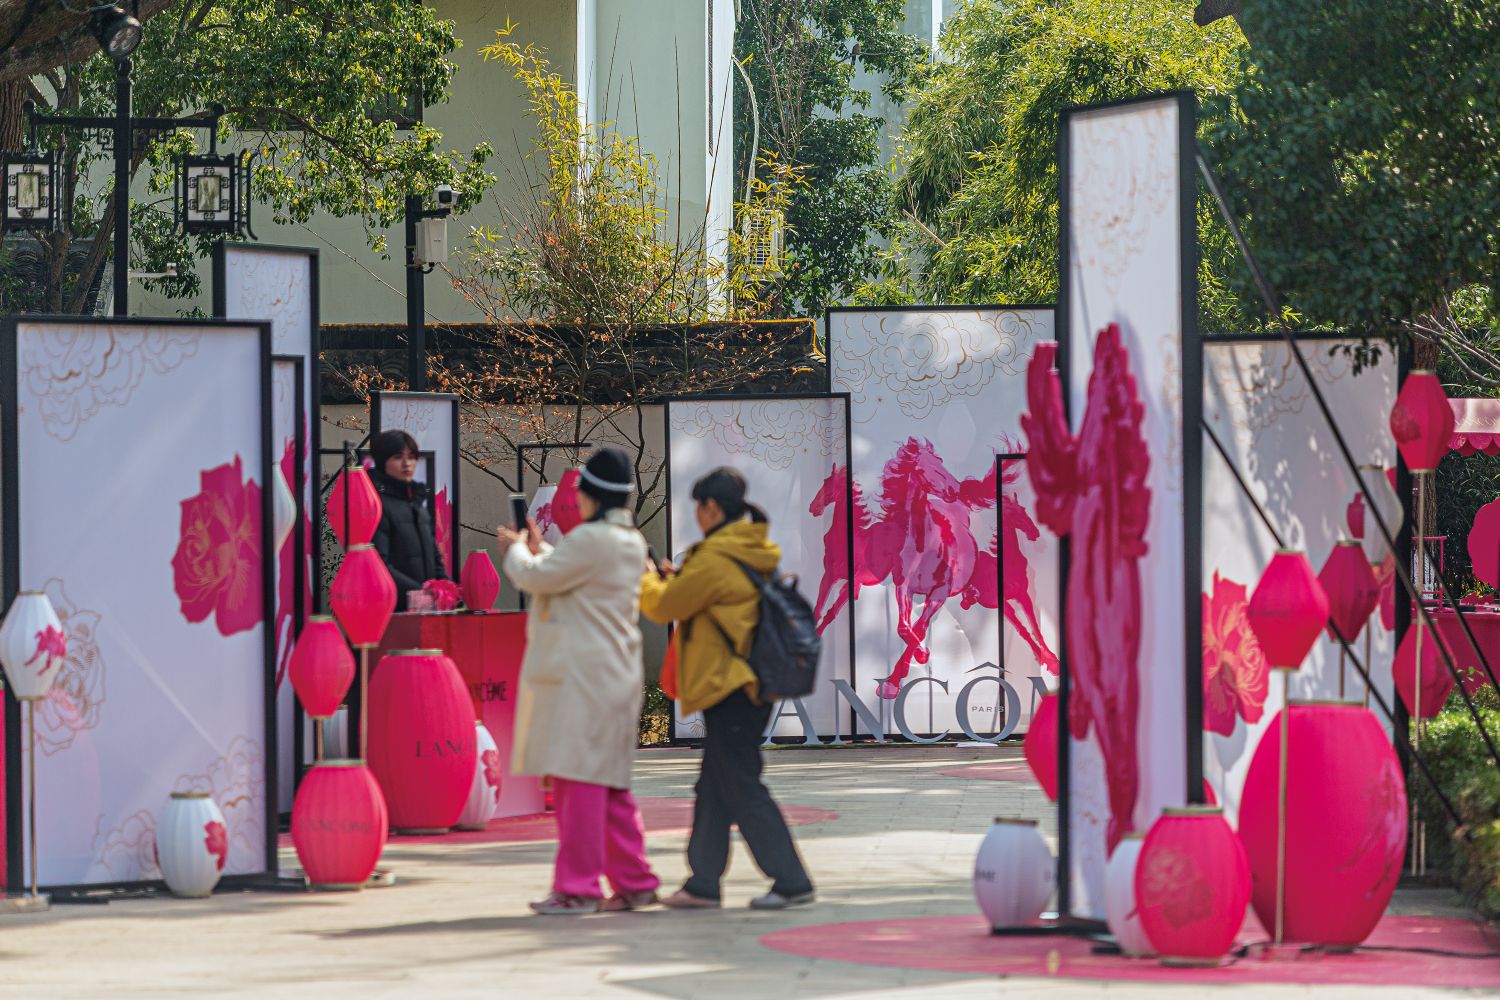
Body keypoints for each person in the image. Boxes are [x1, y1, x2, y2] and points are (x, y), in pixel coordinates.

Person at [640, 468, 816, 910]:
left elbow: (663, 606)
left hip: (731, 688)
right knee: (714, 787)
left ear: (712, 508)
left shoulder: (716, 556)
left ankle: (791, 881)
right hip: (743, 686)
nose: (697, 515)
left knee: (741, 785)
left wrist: (645, 577)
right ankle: (702, 883)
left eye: (698, 507)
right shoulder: (744, 548)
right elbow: (708, 599)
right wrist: (678, 578)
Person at [498, 448, 661, 915]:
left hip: (582, 677)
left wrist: (516, 549)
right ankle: (634, 880)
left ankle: (578, 887)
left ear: (589, 496)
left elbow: (537, 578)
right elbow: (574, 575)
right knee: (608, 783)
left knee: (578, 785)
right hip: (614, 673)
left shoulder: (590, 540)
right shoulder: (627, 540)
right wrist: (541, 551)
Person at [369, 429, 449, 611]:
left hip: (424, 609)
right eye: (398, 457)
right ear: (382, 462)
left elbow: (435, 560)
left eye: (412, 457)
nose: (407, 464)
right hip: (391, 609)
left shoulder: (418, 506)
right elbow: (378, 564)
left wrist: (449, 590)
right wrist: (421, 594)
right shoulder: (377, 506)